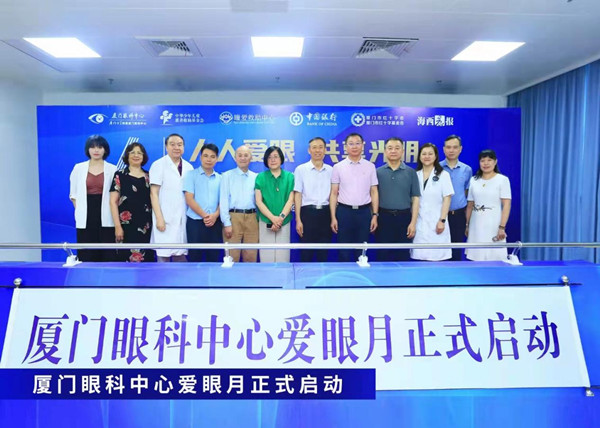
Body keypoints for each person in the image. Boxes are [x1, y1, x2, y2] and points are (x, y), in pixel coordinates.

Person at [330, 133, 378, 262]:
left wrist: (375, 215)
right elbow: (334, 193)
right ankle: (344, 274)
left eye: (357, 143)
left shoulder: (370, 166)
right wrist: (333, 217)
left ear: (363, 145)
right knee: (343, 251)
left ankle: (361, 274)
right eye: (351, 144)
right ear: (345, 147)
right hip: (344, 212)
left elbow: (374, 191)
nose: (354, 146)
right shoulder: (338, 167)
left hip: (364, 213)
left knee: (361, 251)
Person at [69, 135, 117, 262]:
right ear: (88, 149)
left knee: (108, 254)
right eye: (93, 147)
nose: (96, 150)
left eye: (100, 147)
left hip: (106, 215)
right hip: (86, 215)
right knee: (87, 254)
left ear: (105, 150)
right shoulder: (78, 168)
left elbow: (116, 195)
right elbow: (73, 195)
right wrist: (80, 211)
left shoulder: (113, 169)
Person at [149, 133, 193, 262]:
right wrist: (159, 218)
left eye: (179, 145)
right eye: (172, 144)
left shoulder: (189, 167)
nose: (176, 147)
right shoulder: (158, 165)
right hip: (164, 217)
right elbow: (153, 193)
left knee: (180, 255)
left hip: (182, 217)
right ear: (166, 147)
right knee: (163, 256)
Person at [109, 142, 155, 262]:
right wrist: (117, 227)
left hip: (145, 226)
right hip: (125, 226)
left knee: (146, 262)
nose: (136, 155)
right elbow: (113, 202)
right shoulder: (119, 175)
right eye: (132, 152)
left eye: (139, 153)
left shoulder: (149, 176)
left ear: (144, 157)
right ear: (127, 156)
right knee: (124, 261)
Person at [376, 137, 420, 261]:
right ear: (385, 151)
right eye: (390, 148)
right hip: (383, 218)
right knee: (382, 255)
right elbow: (373, 197)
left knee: (403, 255)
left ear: (403, 151)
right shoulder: (378, 172)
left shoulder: (411, 172)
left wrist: (413, 223)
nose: (393, 151)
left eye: (397, 148)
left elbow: (416, 198)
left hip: (404, 218)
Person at [465, 150, 512, 261]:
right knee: (476, 256)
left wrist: (502, 227)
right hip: (476, 225)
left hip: (494, 224)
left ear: (495, 162)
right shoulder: (473, 180)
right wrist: (467, 225)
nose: (486, 163)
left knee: (494, 257)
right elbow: (470, 205)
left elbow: (507, 205)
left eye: (489, 160)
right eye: (483, 161)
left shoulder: (502, 180)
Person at [411, 143, 454, 261]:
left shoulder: (443, 175)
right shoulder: (415, 175)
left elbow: (447, 198)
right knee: (420, 258)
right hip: (419, 222)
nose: (427, 156)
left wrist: (442, 220)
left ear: (435, 156)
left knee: (437, 258)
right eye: (424, 154)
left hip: (437, 222)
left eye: (430, 154)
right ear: (419, 156)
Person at [294, 137, 333, 262]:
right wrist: (298, 219)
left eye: (321, 147)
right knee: (306, 254)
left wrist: (333, 218)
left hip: (326, 214)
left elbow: (334, 195)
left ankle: (323, 275)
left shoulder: (331, 170)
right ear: (309, 150)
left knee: (323, 254)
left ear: (325, 150)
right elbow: (298, 194)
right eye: (314, 147)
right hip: (307, 214)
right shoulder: (301, 169)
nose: (317, 150)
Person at [255, 146, 294, 263]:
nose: (273, 160)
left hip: (284, 221)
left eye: (276, 157)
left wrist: (280, 218)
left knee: (283, 256)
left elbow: (290, 200)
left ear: (281, 159)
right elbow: (258, 201)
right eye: (269, 157)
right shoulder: (260, 177)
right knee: (266, 256)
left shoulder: (290, 177)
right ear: (266, 160)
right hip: (265, 221)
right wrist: (273, 218)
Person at [220, 145, 259, 263]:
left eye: (246, 155)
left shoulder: (256, 177)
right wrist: (227, 223)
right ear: (235, 158)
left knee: (251, 255)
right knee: (232, 256)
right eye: (240, 155)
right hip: (233, 218)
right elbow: (223, 200)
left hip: (252, 218)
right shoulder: (227, 176)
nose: (243, 158)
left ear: (251, 158)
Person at [183, 143, 222, 262]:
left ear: (217, 159)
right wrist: (205, 216)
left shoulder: (221, 178)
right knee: (195, 258)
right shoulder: (191, 175)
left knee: (214, 258)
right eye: (206, 156)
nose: (209, 159)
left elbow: (224, 201)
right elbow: (189, 199)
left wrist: (215, 216)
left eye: (212, 156)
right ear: (200, 157)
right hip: (195, 223)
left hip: (215, 223)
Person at [440, 135, 473, 261]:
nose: (451, 150)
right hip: (440, 215)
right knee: (439, 249)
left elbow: (466, 192)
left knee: (456, 250)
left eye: (455, 147)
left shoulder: (467, 169)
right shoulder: (436, 168)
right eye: (448, 147)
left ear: (460, 149)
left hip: (458, 215)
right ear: (444, 149)